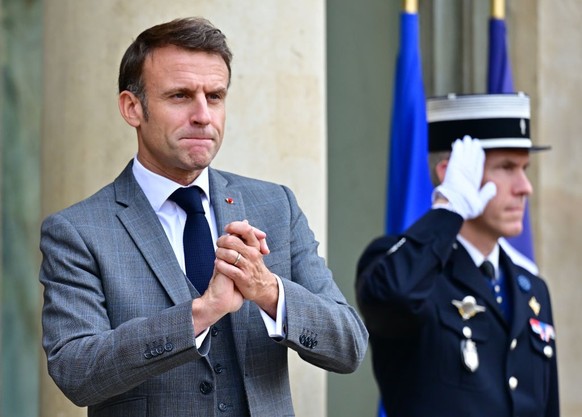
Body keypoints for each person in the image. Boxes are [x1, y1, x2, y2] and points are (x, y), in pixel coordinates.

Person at [40, 17, 368, 417]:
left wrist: (268, 292)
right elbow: (77, 372)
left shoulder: (275, 206)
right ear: (132, 108)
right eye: (180, 96)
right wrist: (199, 314)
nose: (203, 115)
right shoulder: (78, 231)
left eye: (214, 96)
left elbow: (349, 345)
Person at [356, 93, 559, 417]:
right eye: (506, 167)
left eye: (525, 168)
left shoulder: (530, 286)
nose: (525, 187)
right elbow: (393, 297)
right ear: (451, 173)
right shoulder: (405, 266)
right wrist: (448, 208)